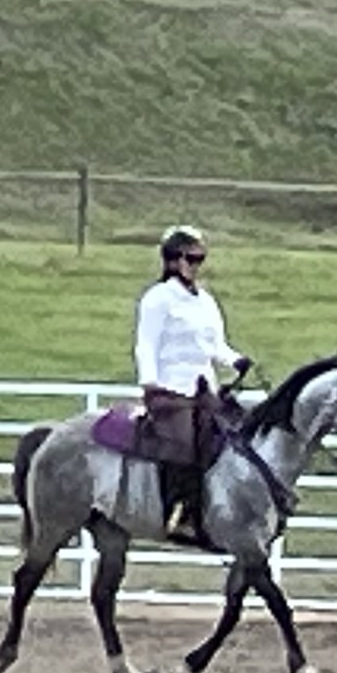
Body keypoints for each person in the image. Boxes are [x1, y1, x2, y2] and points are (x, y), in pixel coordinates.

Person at [133, 224, 252, 543]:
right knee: (183, 444)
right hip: (170, 389)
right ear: (173, 260)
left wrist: (235, 360)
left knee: (233, 436)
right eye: (192, 257)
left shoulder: (205, 302)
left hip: (203, 389)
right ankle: (179, 512)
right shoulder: (158, 299)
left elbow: (215, 346)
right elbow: (146, 344)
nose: (198, 264)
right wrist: (150, 385)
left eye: (201, 258)